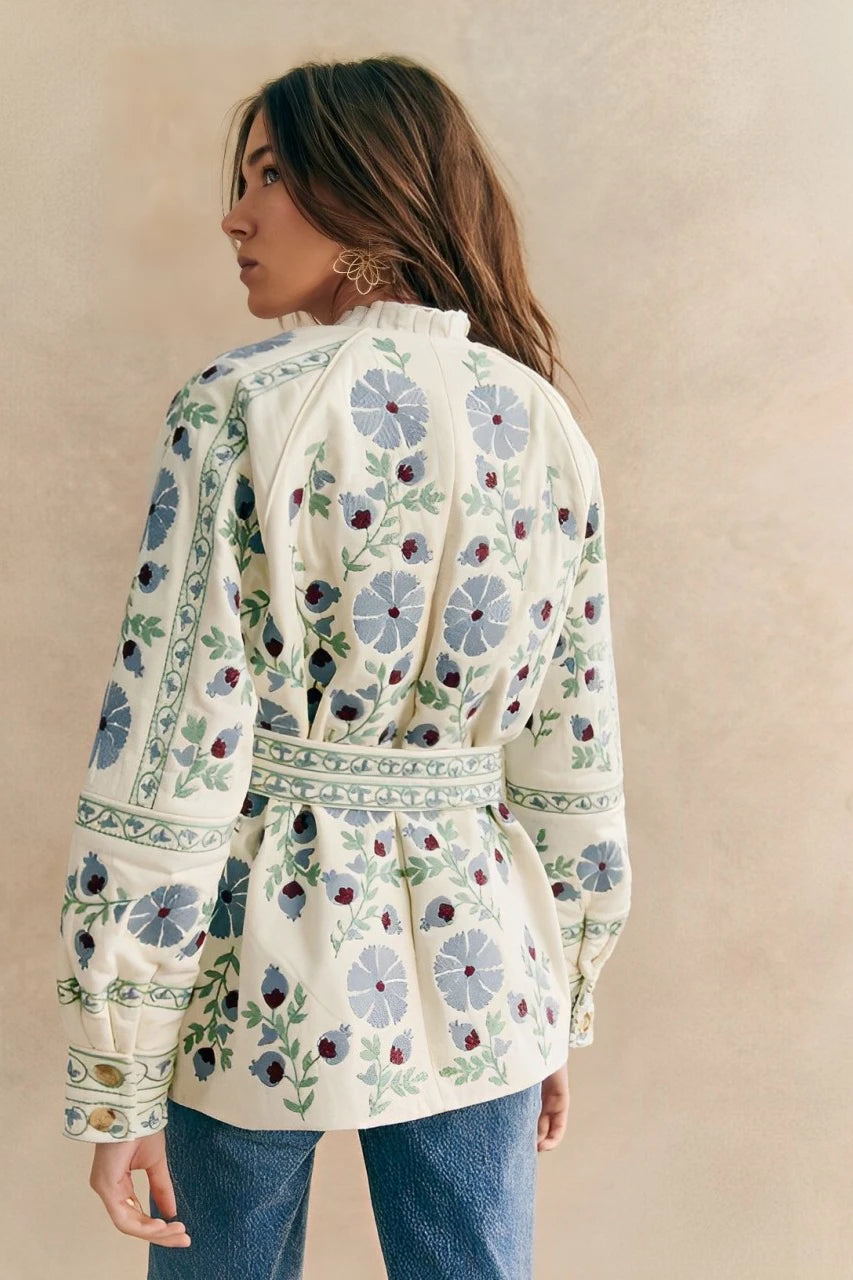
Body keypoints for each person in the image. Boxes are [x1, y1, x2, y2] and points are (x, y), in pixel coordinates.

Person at [55, 54, 632, 1279]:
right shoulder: (542, 424)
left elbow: (172, 747)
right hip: (484, 965)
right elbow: (572, 747)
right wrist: (554, 990)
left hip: (255, 961)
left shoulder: (239, 408)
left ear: (369, 185)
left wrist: (121, 1069)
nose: (234, 215)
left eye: (270, 175)